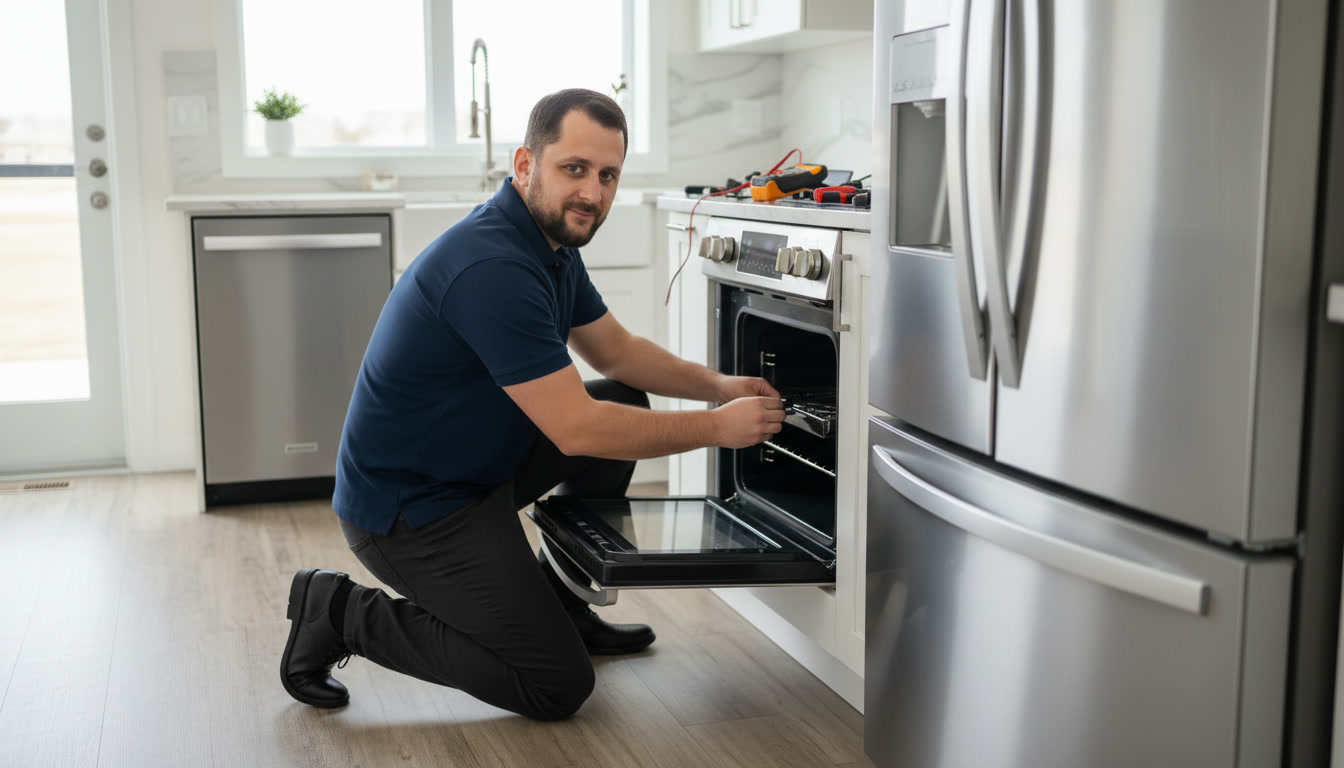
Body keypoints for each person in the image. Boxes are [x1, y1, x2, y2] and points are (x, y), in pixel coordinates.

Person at [279, 88, 784, 721]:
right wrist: (717, 428)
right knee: (554, 684)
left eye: (608, 176)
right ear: (525, 165)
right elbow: (575, 429)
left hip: (477, 469)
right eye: (574, 169)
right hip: (412, 513)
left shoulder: (549, 245)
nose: (593, 194)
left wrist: (718, 386)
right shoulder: (492, 265)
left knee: (624, 395)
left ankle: (565, 608)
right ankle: (339, 612)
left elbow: (618, 354)